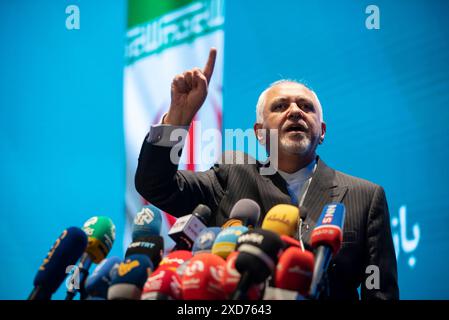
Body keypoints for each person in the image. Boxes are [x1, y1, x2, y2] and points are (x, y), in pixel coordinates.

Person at [135, 48, 399, 299]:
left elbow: (380, 293)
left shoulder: (364, 196)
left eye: (306, 107)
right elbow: (155, 185)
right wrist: (178, 118)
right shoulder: (230, 176)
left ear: (323, 131)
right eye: (280, 106)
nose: (295, 111)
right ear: (259, 133)